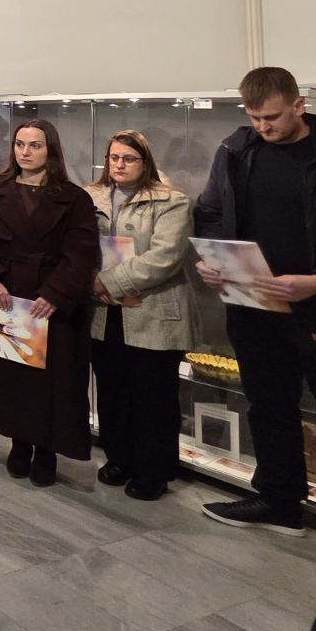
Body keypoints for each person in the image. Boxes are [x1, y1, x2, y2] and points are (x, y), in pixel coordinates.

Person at [194, 67, 316, 537]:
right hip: (253, 304)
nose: (262, 126)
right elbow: (210, 211)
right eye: (254, 117)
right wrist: (214, 259)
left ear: (299, 106)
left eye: (271, 117)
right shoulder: (236, 150)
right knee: (269, 406)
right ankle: (279, 503)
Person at [0, 119, 99, 487]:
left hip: (51, 302)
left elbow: (82, 253)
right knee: (13, 377)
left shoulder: (74, 198)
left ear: (50, 149)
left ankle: (47, 450)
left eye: (35, 145)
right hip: (8, 297)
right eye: (20, 144)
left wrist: (55, 294)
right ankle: (19, 443)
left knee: (53, 380)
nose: (25, 152)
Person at [87, 129, 197, 501]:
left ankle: (154, 470)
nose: (119, 164)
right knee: (112, 389)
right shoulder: (91, 196)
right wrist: (88, 280)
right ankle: (119, 457)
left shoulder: (171, 201)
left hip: (152, 310)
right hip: (104, 312)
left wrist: (108, 281)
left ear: (145, 161)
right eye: (114, 157)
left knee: (153, 396)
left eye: (129, 158)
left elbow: (166, 257)